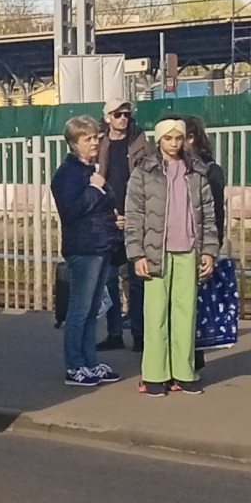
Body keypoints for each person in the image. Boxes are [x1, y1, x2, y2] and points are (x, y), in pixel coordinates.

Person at [125, 117, 218, 397]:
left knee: (185, 314)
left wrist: (210, 252)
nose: (175, 144)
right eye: (169, 139)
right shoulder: (144, 172)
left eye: (179, 138)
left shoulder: (196, 172)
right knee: (155, 316)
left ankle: (184, 374)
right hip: (156, 253)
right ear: (159, 140)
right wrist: (137, 253)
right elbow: (134, 216)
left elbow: (209, 217)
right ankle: (154, 376)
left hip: (189, 250)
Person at [50, 115, 124, 387]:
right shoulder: (67, 174)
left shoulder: (89, 170)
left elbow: (102, 204)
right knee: (79, 310)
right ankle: (74, 366)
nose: (94, 142)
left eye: (96, 137)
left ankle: (90, 362)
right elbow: (72, 211)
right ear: (73, 143)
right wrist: (95, 188)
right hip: (84, 247)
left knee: (93, 309)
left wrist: (113, 218)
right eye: (88, 139)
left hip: (101, 244)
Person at [96, 99, 150, 351]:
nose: (123, 118)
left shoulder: (140, 141)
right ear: (107, 117)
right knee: (109, 279)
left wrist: (135, 214)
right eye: (118, 114)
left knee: (136, 280)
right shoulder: (100, 142)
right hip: (108, 218)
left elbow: (150, 179)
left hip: (135, 218)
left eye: (127, 114)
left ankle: (140, 335)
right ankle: (114, 333)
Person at [183, 115, 226, 374]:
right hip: (179, 242)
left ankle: (194, 358)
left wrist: (212, 248)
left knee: (196, 304)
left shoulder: (209, 170)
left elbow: (215, 214)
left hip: (198, 243)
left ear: (191, 138)